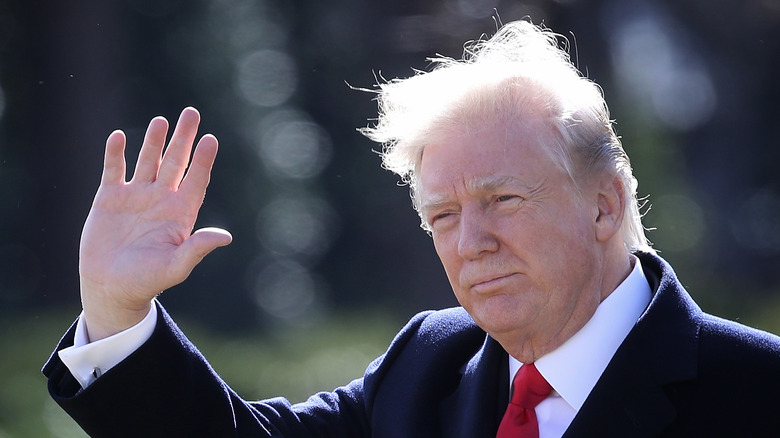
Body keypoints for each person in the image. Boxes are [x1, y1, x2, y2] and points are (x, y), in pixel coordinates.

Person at [43, 19, 780, 437]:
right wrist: (117, 309)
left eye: (503, 199)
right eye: (443, 215)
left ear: (605, 205)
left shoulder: (756, 392)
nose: (471, 243)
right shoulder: (427, 363)